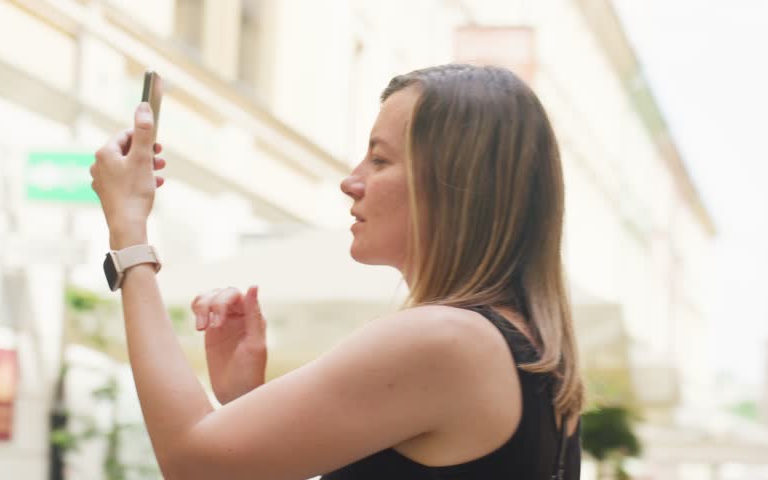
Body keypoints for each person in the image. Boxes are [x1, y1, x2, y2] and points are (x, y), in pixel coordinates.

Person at [90, 63, 583, 480]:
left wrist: (130, 234)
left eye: (381, 159)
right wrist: (249, 404)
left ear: (455, 187)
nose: (352, 182)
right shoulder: (527, 353)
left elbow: (190, 462)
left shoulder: (448, 339)